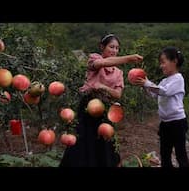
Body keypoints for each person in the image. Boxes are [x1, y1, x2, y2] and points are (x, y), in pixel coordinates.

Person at [59, 33, 143, 167]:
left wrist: (103, 87)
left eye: (117, 48)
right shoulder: (94, 58)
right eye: (111, 47)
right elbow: (102, 63)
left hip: (104, 111)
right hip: (88, 106)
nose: (114, 51)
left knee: (104, 143)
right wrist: (129, 58)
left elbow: (117, 94)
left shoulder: (118, 73)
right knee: (83, 141)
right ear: (102, 47)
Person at [134, 46, 189, 167]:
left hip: (178, 123)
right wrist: (144, 85)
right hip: (165, 123)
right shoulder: (165, 81)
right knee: (165, 155)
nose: (161, 66)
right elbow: (154, 94)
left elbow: (165, 91)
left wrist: (147, 83)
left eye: (163, 62)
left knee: (181, 155)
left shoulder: (178, 79)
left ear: (174, 61)